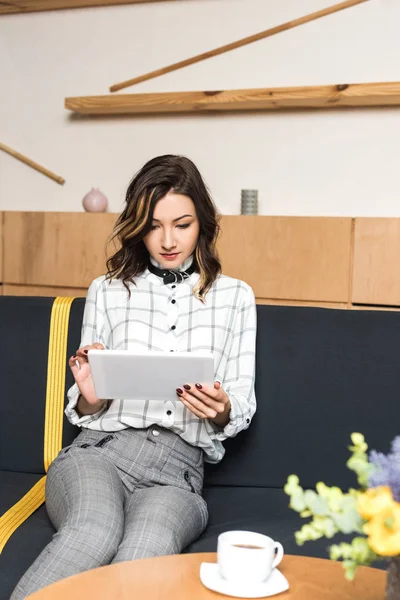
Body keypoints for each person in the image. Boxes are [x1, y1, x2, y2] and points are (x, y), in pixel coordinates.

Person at [11, 154, 257, 599]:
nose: (167, 240)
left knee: (144, 551)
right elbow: (85, 406)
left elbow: (241, 400)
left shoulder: (236, 297)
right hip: (100, 451)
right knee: (93, 531)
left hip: (179, 474)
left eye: (181, 224)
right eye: (152, 225)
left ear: (202, 222)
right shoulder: (107, 289)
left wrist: (221, 410)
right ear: (136, 224)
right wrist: (90, 394)